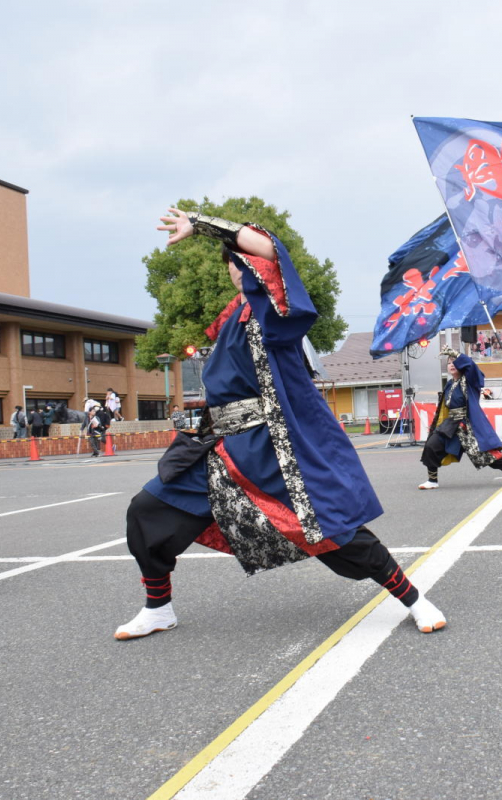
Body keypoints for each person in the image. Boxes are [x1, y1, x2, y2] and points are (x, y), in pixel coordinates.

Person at [113, 206, 446, 640]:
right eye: (232, 262)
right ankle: (158, 608)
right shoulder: (233, 317)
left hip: (271, 451)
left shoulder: (273, 311)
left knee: (335, 534)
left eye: (243, 258)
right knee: (148, 511)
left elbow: (270, 249)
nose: (238, 267)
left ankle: (414, 599)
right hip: (218, 446)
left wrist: (203, 224)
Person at [419, 346, 502, 490]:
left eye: (455, 361)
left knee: (488, 456)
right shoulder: (449, 384)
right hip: (450, 424)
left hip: (467, 425)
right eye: (449, 362)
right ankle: (432, 480)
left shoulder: (469, 381)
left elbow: (471, 366)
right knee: (431, 445)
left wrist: (455, 353)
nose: (452, 364)